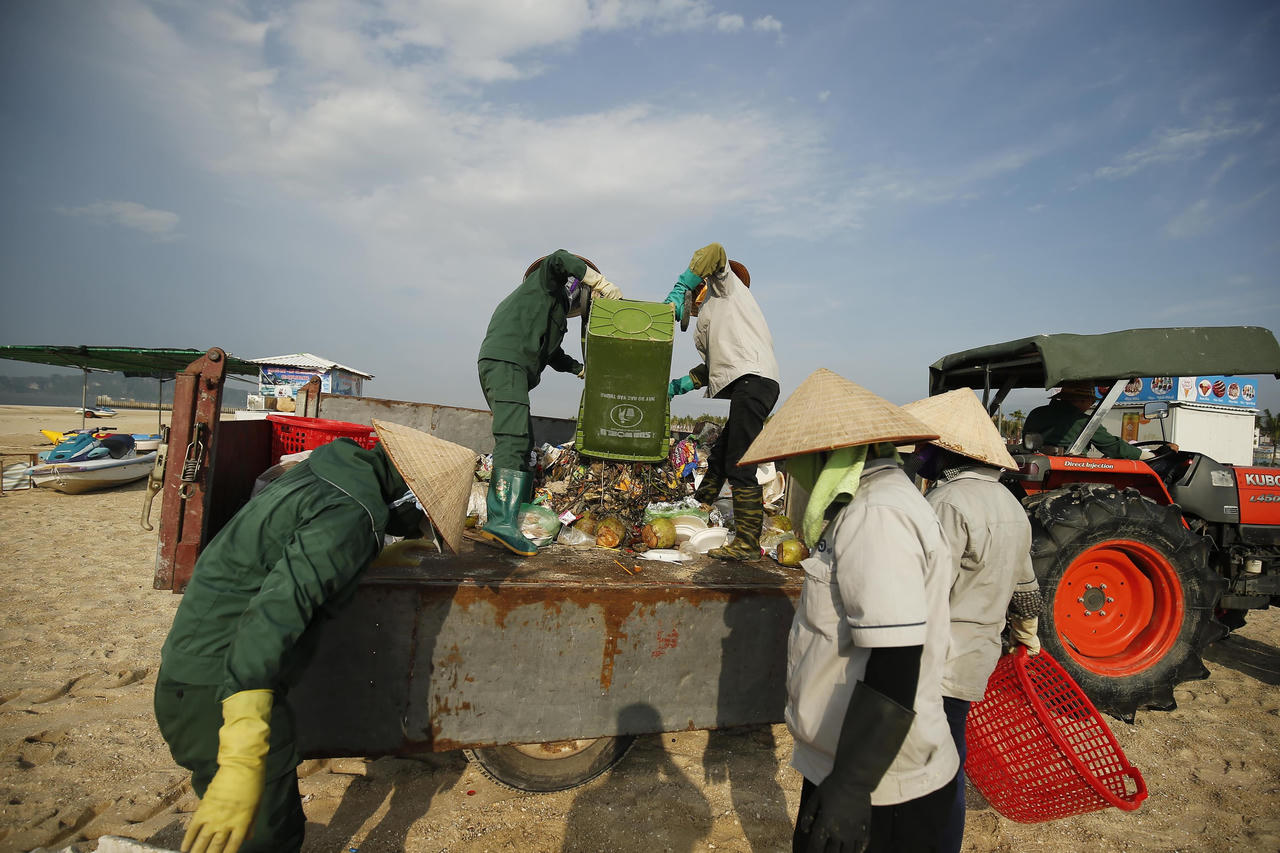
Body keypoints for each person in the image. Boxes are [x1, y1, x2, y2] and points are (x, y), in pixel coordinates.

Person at [155, 421, 475, 853]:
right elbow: (266, 622)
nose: (416, 523)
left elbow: (291, 554)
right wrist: (242, 755)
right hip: (221, 692)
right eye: (422, 513)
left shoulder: (325, 474)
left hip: (191, 668)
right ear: (407, 495)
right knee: (267, 835)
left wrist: (374, 557)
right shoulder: (352, 513)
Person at [737, 368, 958, 853]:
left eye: (797, 459)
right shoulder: (872, 505)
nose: (792, 472)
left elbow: (896, 658)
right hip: (855, 765)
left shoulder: (875, 515)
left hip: (881, 783)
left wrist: (852, 786)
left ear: (828, 455)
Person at [903, 389, 1043, 853]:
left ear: (947, 451)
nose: (920, 455)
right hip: (975, 657)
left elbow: (925, 586)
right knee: (949, 756)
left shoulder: (947, 501)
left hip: (937, 658)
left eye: (926, 447)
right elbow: (1025, 586)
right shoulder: (1010, 505)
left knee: (928, 766)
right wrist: (1028, 638)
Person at [477, 250, 620, 555]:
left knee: (524, 443)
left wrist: (581, 370)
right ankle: (500, 521)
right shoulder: (544, 285)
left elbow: (552, 354)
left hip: (508, 367)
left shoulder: (550, 310)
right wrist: (602, 283)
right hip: (506, 364)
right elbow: (559, 258)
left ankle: (514, 516)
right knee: (512, 439)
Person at [664, 242, 780, 561]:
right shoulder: (719, 316)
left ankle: (746, 543)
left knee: (739, 462)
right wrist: (681, 385)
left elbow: (714, 250)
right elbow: (716, 364)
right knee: (720, 456)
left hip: (753, 381)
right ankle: (700, 509)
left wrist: (681, 286)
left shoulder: (726, 289)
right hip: (749, 382)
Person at [1022, 381, 1141, 459]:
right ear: (1082, 400)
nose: (1091, 405)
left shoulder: (1036, 413)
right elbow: (1112, 446)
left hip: (1036, 461)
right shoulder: (1082, 421)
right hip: (1070, 470)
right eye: (1092, 401)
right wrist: (1142, 454)